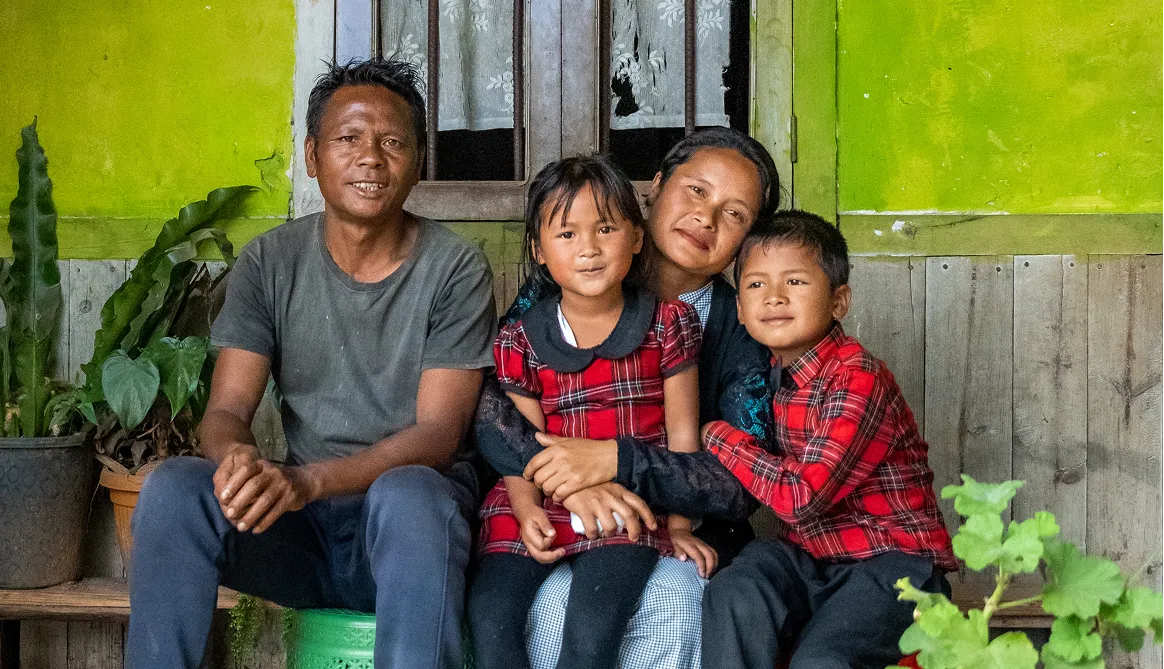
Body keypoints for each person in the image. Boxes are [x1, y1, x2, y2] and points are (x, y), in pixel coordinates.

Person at [126, 58, 497, 669]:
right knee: (175, 488)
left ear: (419, 160)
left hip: (408, 538)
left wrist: (309, 482)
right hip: (302, 528)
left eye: (392, 142)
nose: (371, 158)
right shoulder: (269, 262)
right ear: (313, 154)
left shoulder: (454, 269)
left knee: (409, 495)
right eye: (349, 138)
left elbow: (438, 435)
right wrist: (238, 460)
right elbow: (225, 411)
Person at [473, 127, 781, 667]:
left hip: (677, 529)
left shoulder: (745, 331)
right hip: (548, 509)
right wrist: (566, 482)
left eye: (735, 214)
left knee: (665, 597)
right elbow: (491, 399)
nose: (707, 218)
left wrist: (616, 460)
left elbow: (739, 485)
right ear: (655, 188)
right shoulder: (571, 278)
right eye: (696, 191)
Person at [699, 210, 957, 669]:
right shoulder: (763, 377)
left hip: (893, 566)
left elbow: (801, 498)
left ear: (839, 301)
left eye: (795, 282)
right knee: (735, 589)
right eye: (756, 285)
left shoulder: (856, 376)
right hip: (809, 560)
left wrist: (718, 435)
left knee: (822, 660)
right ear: (739, 309)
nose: (774, 297)